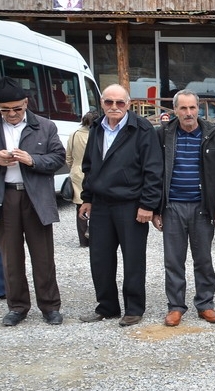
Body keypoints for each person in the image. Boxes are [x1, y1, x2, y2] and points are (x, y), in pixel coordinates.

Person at [79, 84, 164, 326]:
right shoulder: (97, 127)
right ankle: (107, 306)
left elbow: (153, 169)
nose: (114, 107)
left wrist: (148, 204)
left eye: (119, 102)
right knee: (100, 258)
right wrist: (87, 197)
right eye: (109, 102)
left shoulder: (142, 129)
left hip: (131, 205)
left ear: (128, 104)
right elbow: (89, 166)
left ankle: (134, 308)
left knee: (133, 259)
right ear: (102, 103)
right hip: (101, 204)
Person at [153, 90, 215, 326]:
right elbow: (154, 172)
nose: (188, 113)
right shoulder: (163, 134)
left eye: (192, 108)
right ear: (175, 110)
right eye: (183, 108)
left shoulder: (213, 134)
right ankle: (175, 306)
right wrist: (156, 209)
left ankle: (205, 304)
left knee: (203, 259)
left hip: (201, 207)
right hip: (172, 206)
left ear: (199, 109)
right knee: (173, 260)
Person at [0, 77, 66, 326]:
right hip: (6, 196)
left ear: (26, 103)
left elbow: (59, 158)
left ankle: (50, 306)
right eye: (5, 110)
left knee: (43, 255)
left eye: (17, 108)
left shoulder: (45, 126)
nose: (12, 114)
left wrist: (32, 160)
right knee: (11, 257)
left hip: (35, 196)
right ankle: (17, 307)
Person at [66, 110, 97, 247]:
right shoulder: (97, 135)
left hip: (77, 172)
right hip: (94, 172)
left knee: (80, 206)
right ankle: (95, 234)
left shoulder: (74, 135)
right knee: (96, 205)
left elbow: (68, 157)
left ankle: (83, 240)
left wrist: (74, 168)